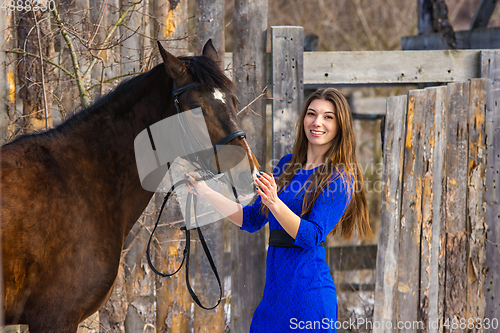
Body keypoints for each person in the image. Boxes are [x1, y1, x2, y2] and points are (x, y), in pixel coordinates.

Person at [185, 88, 372, 332]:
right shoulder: (287, 164)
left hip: (309, 300)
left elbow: (310, 236)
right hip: (273, 301)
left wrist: (275, 202)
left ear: (340, 125)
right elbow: (251, 219)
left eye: (328, 117)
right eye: (312, 114)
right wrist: (205, 191)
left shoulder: (339, 179)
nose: (317, 122)